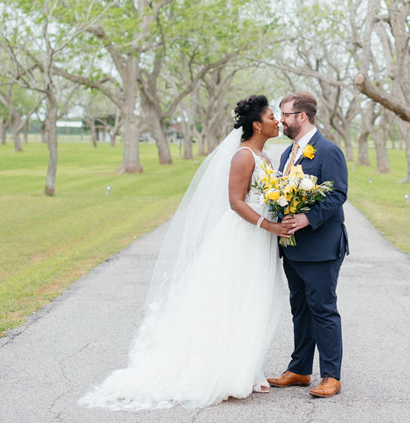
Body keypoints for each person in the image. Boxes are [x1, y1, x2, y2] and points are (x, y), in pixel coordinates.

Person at [79, 95, 292, 410]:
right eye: (273, 117)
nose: (278, 121)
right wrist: (268, 225)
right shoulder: (243, 156)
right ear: (257, 124)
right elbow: (236, 202)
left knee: (252, 299)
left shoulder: (266, 157)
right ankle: (221, 372)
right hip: (242, 238)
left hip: (260, 238)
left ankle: (245, 369)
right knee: (231, 299)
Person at [267, 91, 349, 399]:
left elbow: (338, 194)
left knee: (323, 310)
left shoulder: (328, 151)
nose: (281, 119)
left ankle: (331, 376)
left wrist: (307, 218)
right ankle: (300, 369)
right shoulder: (289, 153)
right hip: (293, 247)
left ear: (302, 116)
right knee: (299, 309)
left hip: (321, 247)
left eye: (285, 114)